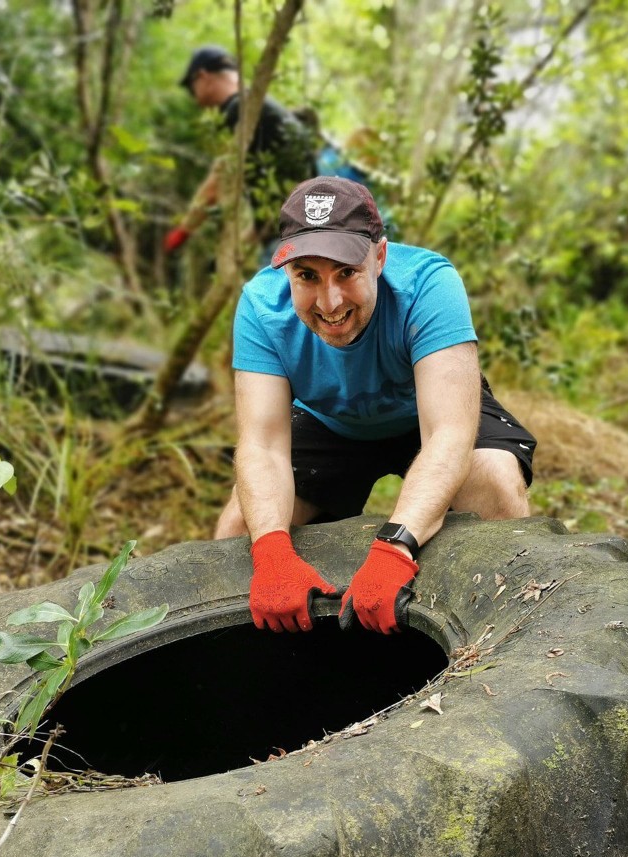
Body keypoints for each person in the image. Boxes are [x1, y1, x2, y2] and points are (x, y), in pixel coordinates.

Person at [214, 175, 537, 637]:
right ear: (284, 270)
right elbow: (262, 445)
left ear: (380, 257)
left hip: (426, 412)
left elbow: (449, 433)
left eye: (346, 272)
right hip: (331, 422)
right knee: (241, 525)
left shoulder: (429, 284)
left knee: (495, 483)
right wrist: (272, 554)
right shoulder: (262, 307)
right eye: (307, 275)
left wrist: (394, 547)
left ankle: (497, 639)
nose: (329, 302)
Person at [163, 46, 317, 255]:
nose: (194, 97)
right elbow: (274, 201)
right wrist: (240, 247)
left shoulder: (239, 109)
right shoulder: (258, 104)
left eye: (192, 88)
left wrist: (184, 229)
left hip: (294, 239)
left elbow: (217, 182)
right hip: (308, 228)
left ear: (203, 76)